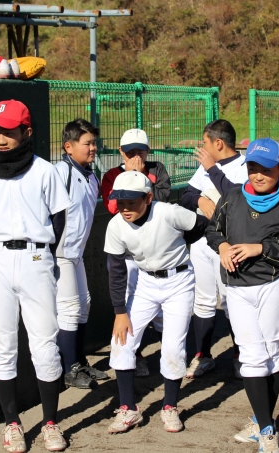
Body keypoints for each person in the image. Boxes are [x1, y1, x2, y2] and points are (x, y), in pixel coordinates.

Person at [0, 100, 70, 452]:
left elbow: (58, 219)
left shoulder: (45, 171)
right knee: (3, 345)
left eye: (8, 130)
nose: (1, 138)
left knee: (44, 344)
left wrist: (39, 254)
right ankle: (12, 424)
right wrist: (4, 249)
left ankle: (50, 422)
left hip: (36, 257)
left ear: (27, 132)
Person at [206, 138, 279, 453]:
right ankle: (267, 430)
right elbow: (213, 231)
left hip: (271, 286)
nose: (258, 174)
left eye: (266, 169)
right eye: (253, 167)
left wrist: (261, 248)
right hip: (237, 289)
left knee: (271, 353)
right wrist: (223, 246)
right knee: (251, 356)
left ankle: (260, 420)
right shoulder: (231, 198)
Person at [104, 171, 209, 434]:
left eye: (131, 201)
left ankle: (170, 406)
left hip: (179, 280)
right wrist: (119, 312)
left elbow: (201, 224)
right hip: (144, 282)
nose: (125, 208)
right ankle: (128, 409)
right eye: (120, 202)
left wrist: (179, 242)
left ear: (148, 198)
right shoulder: (116, 225)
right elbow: (116, 271)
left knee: (173, 348)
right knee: (121, 342)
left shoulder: (168, 212)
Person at [180, 119, 248, 379]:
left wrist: (212, 169)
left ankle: (241, 355)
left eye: (205, 142)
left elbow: (238, 198)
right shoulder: (206, 167)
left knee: (231, 301)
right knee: (204, 301)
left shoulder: (244, 167)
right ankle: (203, 356)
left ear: (218, 143)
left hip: (230, 244)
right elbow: (186, 196)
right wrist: (200, 199)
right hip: (202, 242)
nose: (202, 147)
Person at [101, 128, 172, 378]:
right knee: (128, 307)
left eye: (140, 151)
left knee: (162, 312)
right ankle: (136, 356)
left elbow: (162, 200)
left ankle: (169, 355)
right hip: (127, 254)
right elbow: (113, 207)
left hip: (157, 252)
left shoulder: (157, 169)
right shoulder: (112, 175)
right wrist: (132, 177)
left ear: (147, 150)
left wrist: (140, 176)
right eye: (130, 152)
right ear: (121, 152)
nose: (136, 156)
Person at [54, 119, 109, 389]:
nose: (93, 148)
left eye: (94, 143)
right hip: (59, 254)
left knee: (84, 305)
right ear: (69, 146)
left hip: (77, 253)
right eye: (87, 143)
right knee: (69, 309)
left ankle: (79, 362)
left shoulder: (90, 174)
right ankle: (69, 369)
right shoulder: (59, 173)